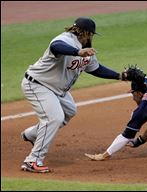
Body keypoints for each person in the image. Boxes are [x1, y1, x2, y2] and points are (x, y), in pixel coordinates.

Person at [20, 17, 129, 173]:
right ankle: (32, 160)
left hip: (56, 89)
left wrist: (120, 76)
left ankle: (31, 134)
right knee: (53, 118)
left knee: (68, 112)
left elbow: (96, 69)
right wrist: (77, 52)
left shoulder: (86, 48)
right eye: (91, 34)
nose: (91, 38)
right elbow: (56, 46)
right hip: (37, 84)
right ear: (86, 33)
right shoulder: (66, 39)